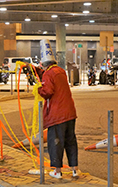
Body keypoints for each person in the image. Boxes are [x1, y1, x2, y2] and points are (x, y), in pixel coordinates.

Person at [37, 39, 80, 179]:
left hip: (57, 115)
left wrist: (38, 89)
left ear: (44, 64)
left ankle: (57, 171)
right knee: (70, 140)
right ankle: (75, 169)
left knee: (55, 142)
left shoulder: (48, 74)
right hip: (70, 113)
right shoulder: (60, 71)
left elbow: (47, 91)